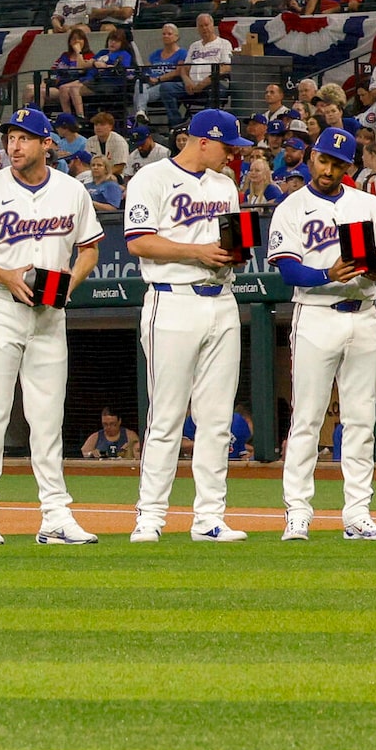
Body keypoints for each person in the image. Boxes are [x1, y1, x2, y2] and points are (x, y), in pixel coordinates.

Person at [0, 107, 104, 547]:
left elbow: (90, 249)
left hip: (49, 314)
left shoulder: (71, 190)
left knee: (47, 416)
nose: (14, 146)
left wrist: (67, 286)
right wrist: (6, 275)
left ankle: (55, 515)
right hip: (0, 306)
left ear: (46, 144)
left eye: (24, 138)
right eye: (10, 138)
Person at [124, 108, 255, 544]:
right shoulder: (152, 178)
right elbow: (139, 241)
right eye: (227, 146)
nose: (232, 156)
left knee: (217, 418)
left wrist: (234, 252)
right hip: (172, 300)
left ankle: (210, 517)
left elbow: (231, 240)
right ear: (202, 140)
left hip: (221, 300)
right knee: (166, 416)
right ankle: (150, 516)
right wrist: (197, 251)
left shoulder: (225, 185)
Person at [271, 128, 376, 541]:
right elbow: (287, 268)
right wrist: (326, 275)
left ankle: (358, 514)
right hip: (316, 314)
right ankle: (298, 512)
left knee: (362, 418)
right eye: (324, 160)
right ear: (312, 157)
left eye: (338, 164)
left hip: (363, 313)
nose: (329, 169)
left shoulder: (367, 204)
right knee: (306, 417)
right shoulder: (292, 207)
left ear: (350, 167)